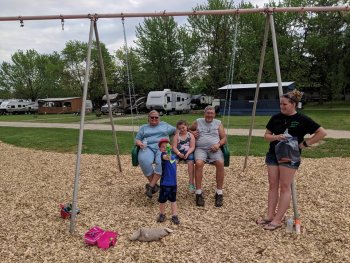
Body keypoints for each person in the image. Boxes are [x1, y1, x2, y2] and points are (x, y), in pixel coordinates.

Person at [257, 89, 327, 230]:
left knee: (284, 186)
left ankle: (277, 220)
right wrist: (276, 137)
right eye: (280, 104)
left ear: (293, 104)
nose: (282, 107)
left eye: (285, 104)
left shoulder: (302, 119)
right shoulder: (275, 117)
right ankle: (270, 216)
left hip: (289, 155)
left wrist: (305, 143)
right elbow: (266, 136)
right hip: (273, 154)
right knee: (272, 185)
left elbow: (322, 132)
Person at [189, 106, 227, 207]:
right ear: (204, 113)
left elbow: (224, 138)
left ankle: (219, 192)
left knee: (220, 163)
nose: (209, 115)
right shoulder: (198, 121)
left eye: (211, 113)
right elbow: (187, 129)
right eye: (208, 113)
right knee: (199, 163)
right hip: (200, 149)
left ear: (214, 114)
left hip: (214, 149)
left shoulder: (218, 123)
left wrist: (218, 145)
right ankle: (198, 193)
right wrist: (192, 132)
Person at [135, 110, 176, 198]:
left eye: (156, 117)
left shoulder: (165, 125)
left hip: (162, 147)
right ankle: (154, 185)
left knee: (161, 161)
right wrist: (140, 144)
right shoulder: (143, 128)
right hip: (147, 147)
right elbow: (137, 139)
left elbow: (177, 130)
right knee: (143, 160)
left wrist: (177, 140)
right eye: (152, 117)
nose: (154, 119)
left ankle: (151, 186)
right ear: (148, 118)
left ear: (159, 118)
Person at [156, 138, 180, 225]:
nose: (165, 148)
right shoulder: (163, 156)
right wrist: (169, 150)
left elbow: (173, 160)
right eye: (163, 147)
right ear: (160, 149)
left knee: (173, 200)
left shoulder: (173, 156)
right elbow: (167, 157)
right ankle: (162, 214)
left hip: (173, 182)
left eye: (167, 146)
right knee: (162, 200)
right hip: (165, 183)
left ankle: (174, 215)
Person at [172, 120, 196, 193]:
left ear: (187, 127)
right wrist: (179, 153)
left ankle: (191, 183)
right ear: (178, 129)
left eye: (183, 127)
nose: (182, 129)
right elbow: (174, 147)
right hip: (178, 152)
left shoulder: (190, 135)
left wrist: (188, 153)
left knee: (191, 161)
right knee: (172, 161)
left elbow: (192, 147)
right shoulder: (177, 136)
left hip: (188, 152)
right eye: (180, 128)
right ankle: (173, 183)